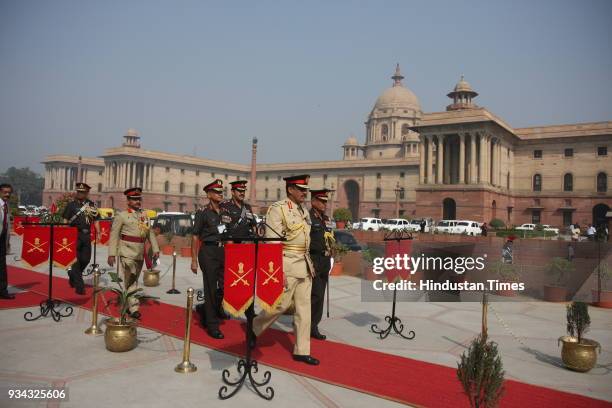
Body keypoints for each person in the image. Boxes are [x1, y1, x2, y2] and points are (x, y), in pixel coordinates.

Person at [250, 175, 319, 365]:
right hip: (287, 264)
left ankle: (302, 350)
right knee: (279, 306)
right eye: (300, 189)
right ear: (290, 189)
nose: (304, 193)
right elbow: (271, 243)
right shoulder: (278, 209)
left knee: (304, 310)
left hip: (304, 265)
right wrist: (277, 270)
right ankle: (254, 328)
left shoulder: (303, 210)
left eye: (305, 189)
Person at [107, 187, 159, 319]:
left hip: (140, 253)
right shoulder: (122, 216)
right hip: (126, 252)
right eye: (134, 199)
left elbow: (150, 233)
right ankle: (134, 307)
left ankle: (128, 303)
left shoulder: (144, 215)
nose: (137, 201)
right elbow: (114, 235)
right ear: (128, 201)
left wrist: (156, 249)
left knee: (134, 279)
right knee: (130, 280)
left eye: (138, 199)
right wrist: (112, 253)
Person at [191, 179, 229, 339]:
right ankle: (212, 325)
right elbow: (194, 236)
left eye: (221, 192)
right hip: (208, 251)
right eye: (217, 192)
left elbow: (228, 233)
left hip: (222, 251)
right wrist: (193, 260)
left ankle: (205, 308)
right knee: (211, 288)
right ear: (208, 194)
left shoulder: (225, 212)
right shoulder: (203, 213)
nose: (220, 195)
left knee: (225, 286)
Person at [220, 179, 257, 322]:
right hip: (232, 248)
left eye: (243, 191)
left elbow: (253, 226)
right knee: (229, 281)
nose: (242, 193)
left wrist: (256, 237)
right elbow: (223, 228)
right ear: (233, 192)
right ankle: (225, 307)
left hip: (246, 250)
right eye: (239, 191)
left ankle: (250, 312)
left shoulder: (247, 208)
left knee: (248, 283)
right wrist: (229, 247)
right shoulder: (225, 206)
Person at [62, 182, 99, 295]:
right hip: (74, 235)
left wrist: (98, 232)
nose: (80, 193)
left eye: (82, 192)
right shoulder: (71, 205)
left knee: (86, 259)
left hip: (86, 235)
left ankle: (72, 275)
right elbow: (65, 220)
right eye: (78, 191)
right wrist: (65, 233)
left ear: (87, 193)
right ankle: (80, 286)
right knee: (76, 261)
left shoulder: (91, 205)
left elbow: (96, 219)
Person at [309, 188, 334, 340]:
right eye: (322, 201)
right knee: (313, 296)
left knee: (320, 296)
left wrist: (333, 250)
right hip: (314, 260)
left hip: (324, 261)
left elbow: (330, 237)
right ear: (313, 202)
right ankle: (306, 325)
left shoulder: (325, 219)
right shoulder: (308, 218)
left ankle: (314, 325)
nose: (325, 204)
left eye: (326, 201)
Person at [0, 183, 14, 299]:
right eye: (5, 192)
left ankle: (3, 291)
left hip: (2, 239)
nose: (7, 194)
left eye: (9, 192)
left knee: (2, 266)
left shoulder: (6, 205)